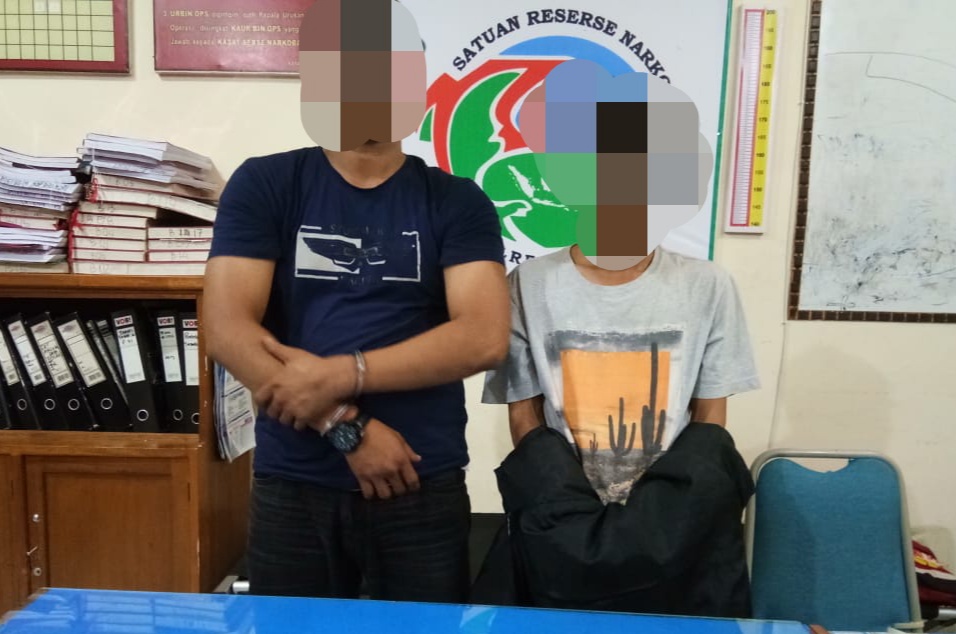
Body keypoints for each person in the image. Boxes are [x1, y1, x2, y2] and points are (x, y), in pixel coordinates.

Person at [203, 0, 509, 603]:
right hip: (294, 482)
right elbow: (227, 329)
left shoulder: (457, 201)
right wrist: (346, 426)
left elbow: (483, 336)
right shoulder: (266, 184)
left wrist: (343, 374)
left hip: (418, 478)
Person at [477, 61, 760, 616]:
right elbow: (524, 418)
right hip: (561, 532)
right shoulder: (527, 284)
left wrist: (657, 523)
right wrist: (573, 523)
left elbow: (710, 424)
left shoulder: (707, 286)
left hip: (673, 537)